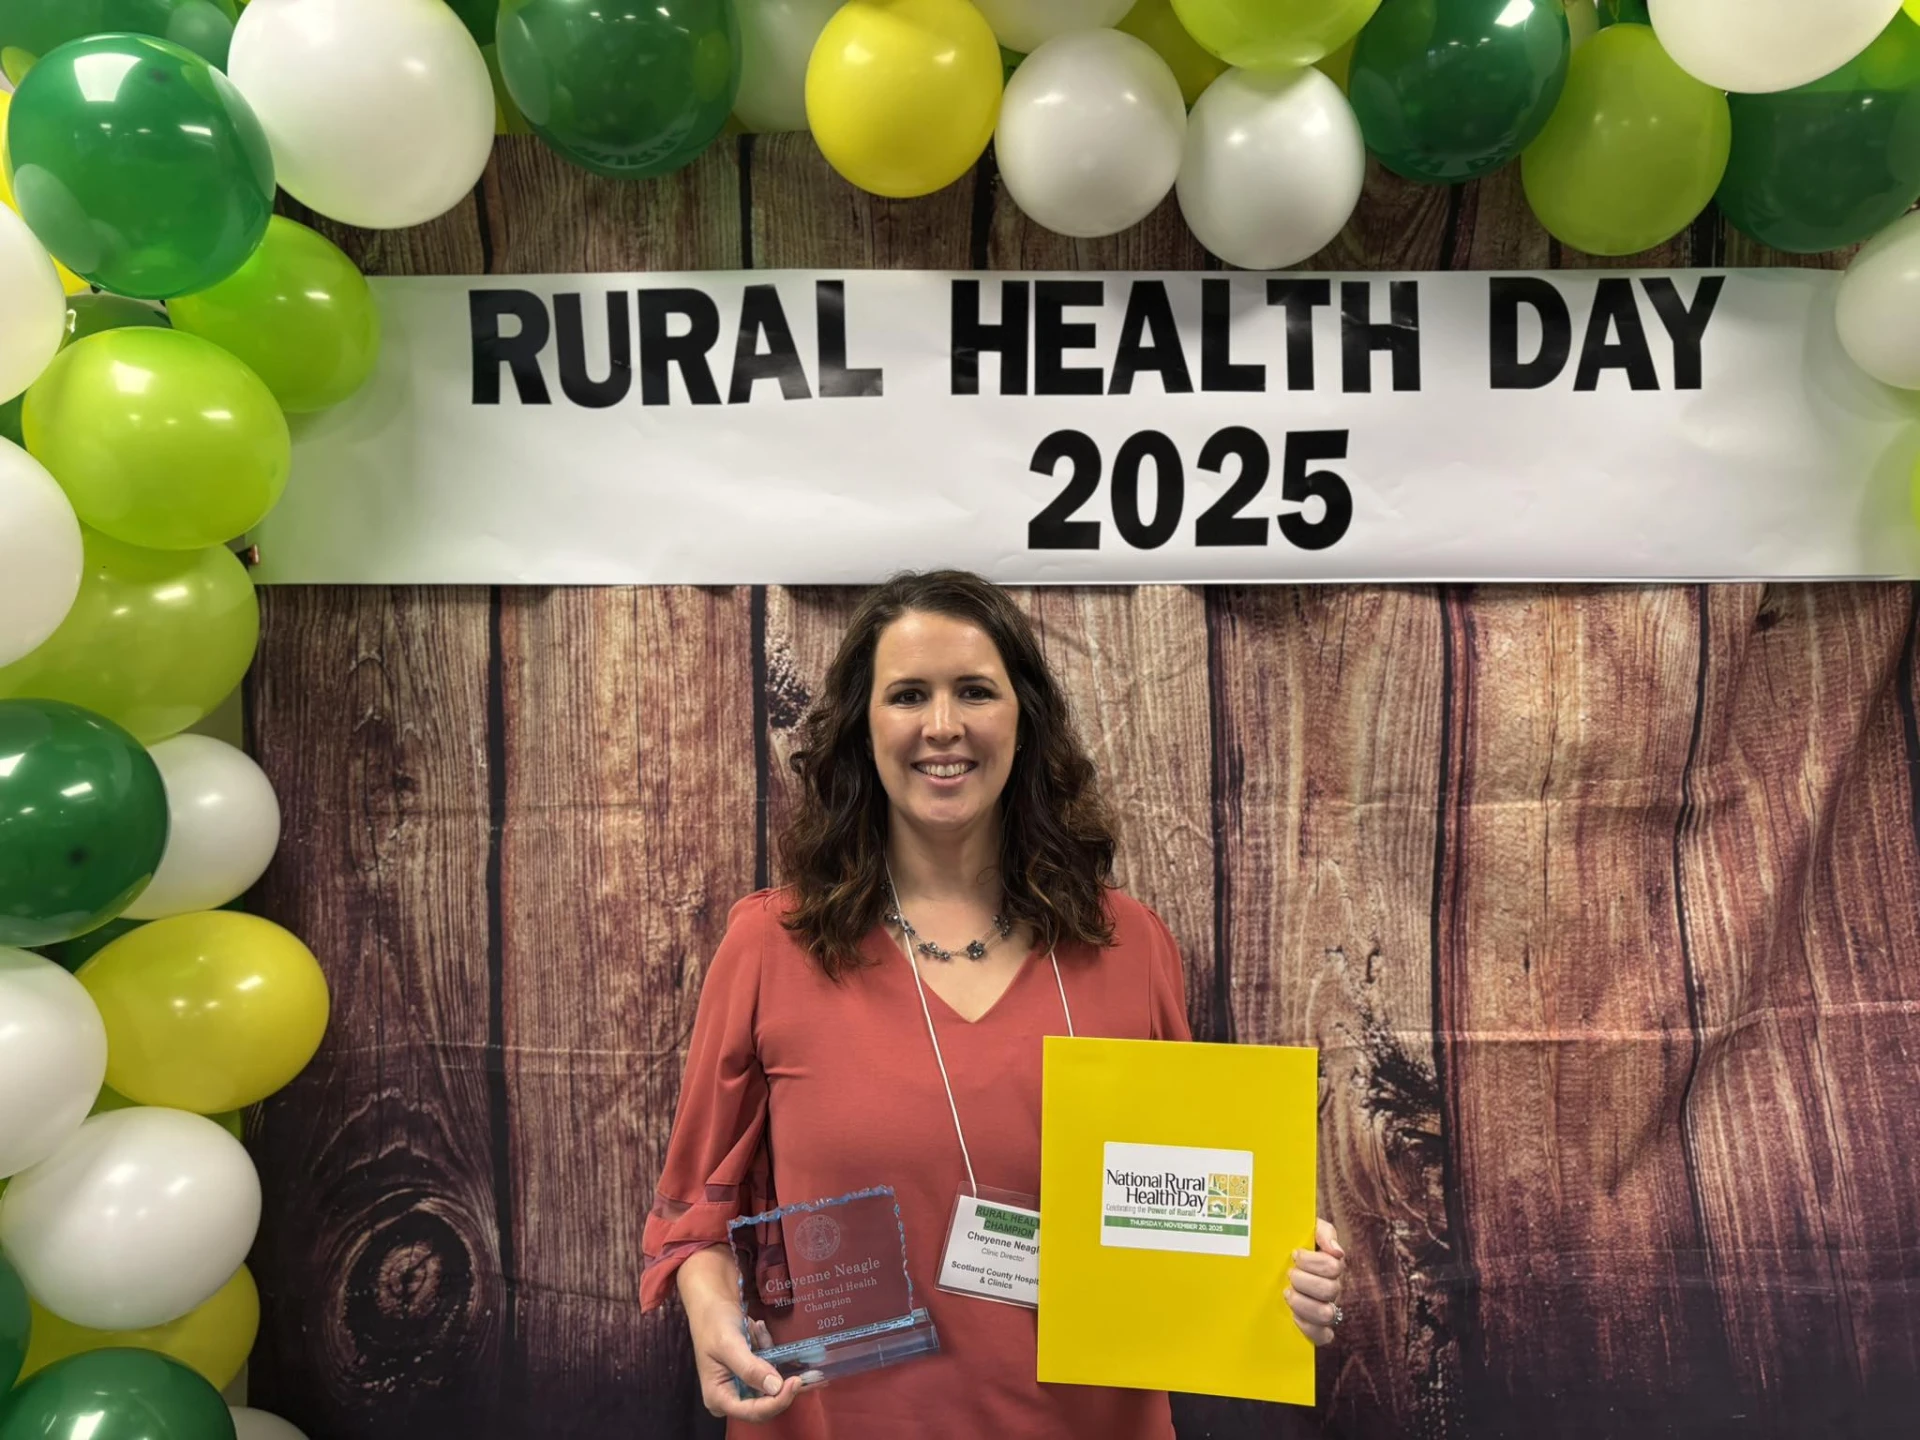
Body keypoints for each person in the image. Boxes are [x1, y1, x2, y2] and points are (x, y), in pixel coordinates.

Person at [640, 570, 1347, 1436]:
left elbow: (1190, 1206)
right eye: (908, 695)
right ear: (863, 728)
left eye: (975, 690)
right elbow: (693, 1218)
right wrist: (713, 1311)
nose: (943, 725)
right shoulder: (770, 945)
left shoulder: (1129, 946)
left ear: (1025, 720)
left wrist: (1274, 1270)